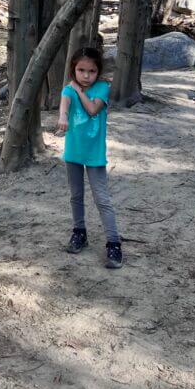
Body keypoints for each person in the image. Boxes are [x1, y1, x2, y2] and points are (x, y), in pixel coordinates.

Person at [56, 47, 123, 269]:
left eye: (91, 71)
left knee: (101, 198)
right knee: (76, 195)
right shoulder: (68, 89)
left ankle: (114, 244)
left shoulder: (102, 88)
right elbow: (64, 106)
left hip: (94, 153)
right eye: (81, 70)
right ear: (73, 69)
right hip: (74, 150)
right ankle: (79, 233)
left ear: (98, 71)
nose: (86, 75)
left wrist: (80, 91)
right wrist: (63, 117)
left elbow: (93, 109)